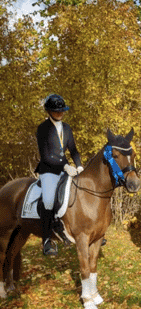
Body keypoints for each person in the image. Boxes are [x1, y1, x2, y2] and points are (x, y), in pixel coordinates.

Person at [36, 93, 84, 256]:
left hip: (66, 169)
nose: (60, 114)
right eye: (57, 111)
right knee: (49, 200)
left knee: (79, 193)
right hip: (49, 170)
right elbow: (46, 156)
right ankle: (47, 241)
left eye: (62, 111)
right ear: (49, 112)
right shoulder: (43, 129)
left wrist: (79, 166)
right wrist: (65, 166)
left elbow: (74, 150)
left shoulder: (67, 128)